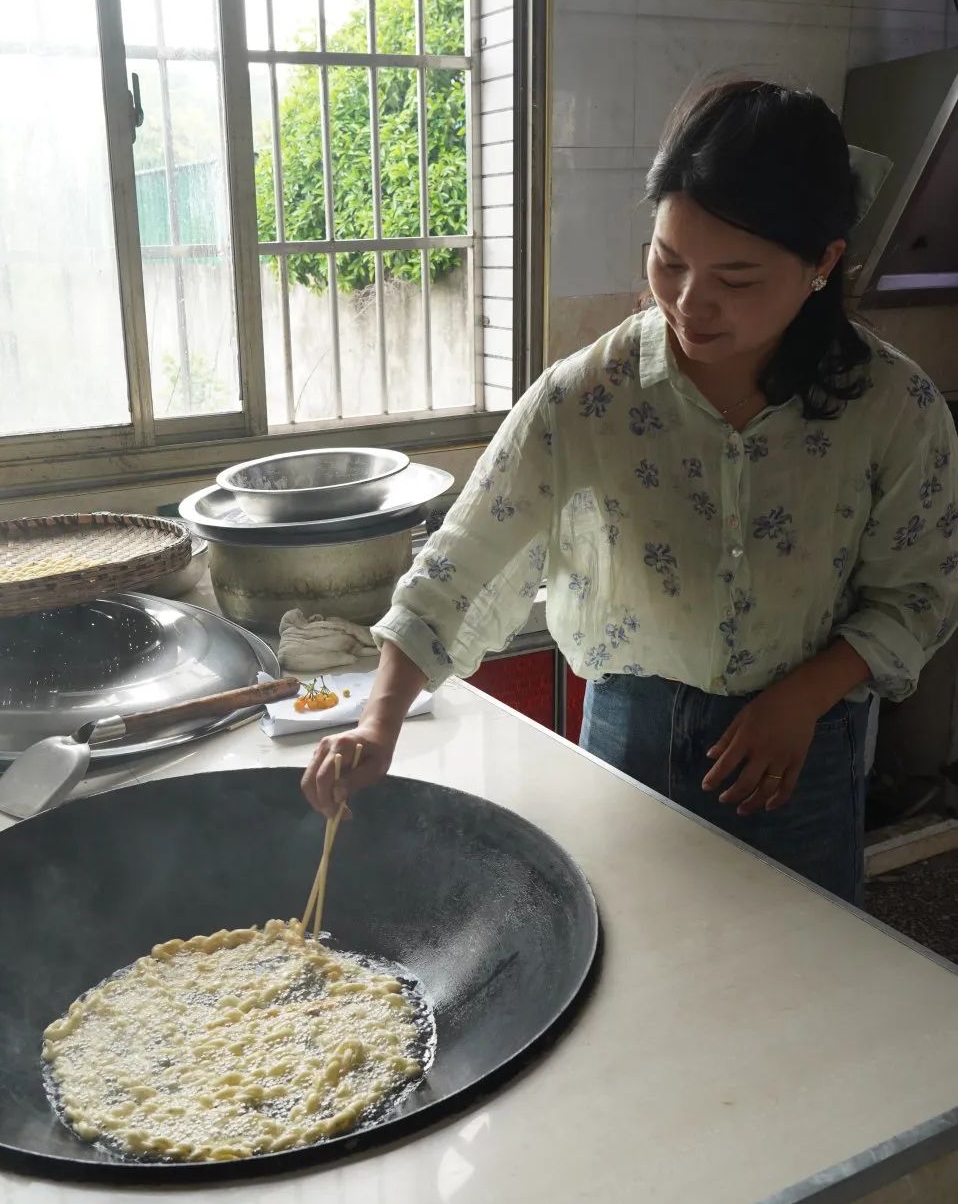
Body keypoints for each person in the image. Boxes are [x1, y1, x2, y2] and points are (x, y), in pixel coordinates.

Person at [302, 80, 958, 903]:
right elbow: (458, 566)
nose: (689, 302)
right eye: (669, 261)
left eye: (737, 278)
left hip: (799, 753)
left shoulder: (892, 407)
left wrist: (804, 698)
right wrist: (378, 722)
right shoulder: (588, 397)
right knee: (626, 953)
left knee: (797, 967)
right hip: (628, 740)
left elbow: (920, 594)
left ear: (822, 263)